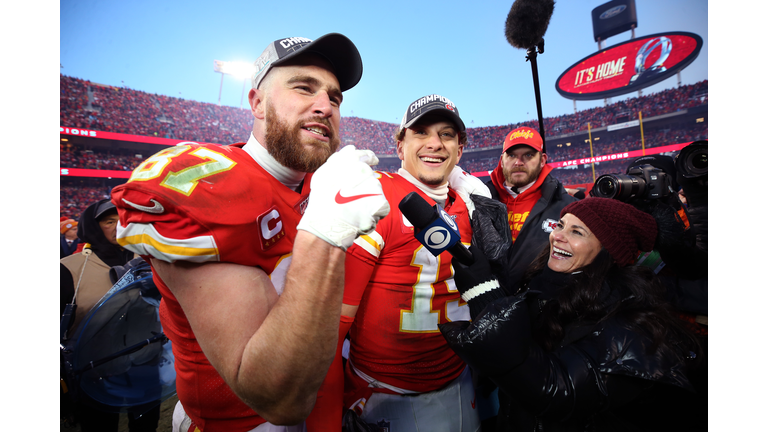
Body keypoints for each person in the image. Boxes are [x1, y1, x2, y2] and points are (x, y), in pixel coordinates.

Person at [111, 33, 390, 432]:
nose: (325, 106)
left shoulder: (320, 185)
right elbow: (278, 397)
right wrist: (325, 232)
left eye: (335, 97)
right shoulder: (211, 186)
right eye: (303, 88)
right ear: (257, 103)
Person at [440, 197, 702, 431]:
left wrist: (484, 294)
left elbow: (555, 391)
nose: (558, 236)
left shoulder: (632, 323)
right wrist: (494, 279)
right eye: (561, 225)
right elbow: (525, 349)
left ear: (609, 252)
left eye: (577, 231)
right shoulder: (543, 284)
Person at [335, 94, 488, 432]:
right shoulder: (375, 198)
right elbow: (332, 330)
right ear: (400, 145)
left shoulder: (470, 202)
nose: (435, 143)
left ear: (460, 150)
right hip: (388, 392)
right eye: (421, 132)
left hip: (461, 378)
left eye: (447, 134)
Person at [60, 198, 159, 432]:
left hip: (146, 362)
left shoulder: (150, 259)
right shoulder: (69, 268)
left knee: (146, 426)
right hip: (95, 370)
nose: (120, 225)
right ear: (93, 227)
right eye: (109, 221)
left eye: (125, 219)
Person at [485, 126, 576, 290]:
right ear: (502, 160)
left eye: (528, 155)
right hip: (484, 301)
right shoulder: (480, 200)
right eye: (511, 155)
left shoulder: (567, 207)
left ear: (542, 160)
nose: (518, 162)